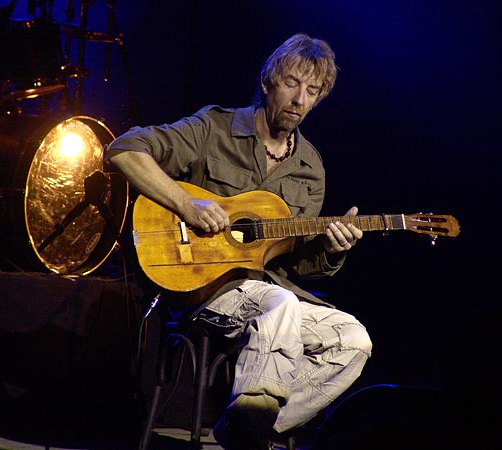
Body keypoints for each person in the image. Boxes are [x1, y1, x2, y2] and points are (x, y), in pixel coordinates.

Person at [105, 33, 372, 450]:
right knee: (279, 304)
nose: (300, 99)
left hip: (265, 293)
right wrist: (188, 204)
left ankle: (247, 427)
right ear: (267, 82)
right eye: (291, 83)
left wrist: (331, 249)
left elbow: (296, 265)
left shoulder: (310, 168)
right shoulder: (214, 129)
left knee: (354, 340)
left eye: (312, 91)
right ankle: (252, 419)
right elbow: (124, 149)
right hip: (199, 287)